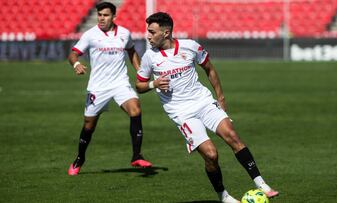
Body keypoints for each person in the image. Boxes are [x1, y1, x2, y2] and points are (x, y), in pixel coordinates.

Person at [136, 12, 279, 203]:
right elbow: (139, 85)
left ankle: (261, 184)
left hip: (203, 101)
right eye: (148, 32)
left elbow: (209, 69)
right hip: (181, 112)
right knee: (211, 155)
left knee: (232, 136)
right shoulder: (149, 58)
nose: (148, 35)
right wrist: (154, 85)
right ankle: (223, 195)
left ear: (166, 32)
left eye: (152, 32)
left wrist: (220, 96)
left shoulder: (190, 46)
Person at [67, 2, 152, 176]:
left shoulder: (124, 33)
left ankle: (137, 155)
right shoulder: (90, 35)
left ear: (114, 16)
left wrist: (141, 72)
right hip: (98, 87)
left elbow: (131, 51)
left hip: (120, 83)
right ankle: (80, 158)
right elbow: (73, 53)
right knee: (89, 126)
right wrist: (76, 63)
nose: (101, 18)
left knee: (135, 109)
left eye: (105, 15)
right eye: (99, 15)